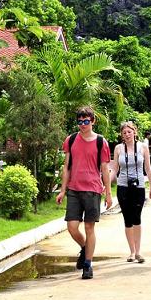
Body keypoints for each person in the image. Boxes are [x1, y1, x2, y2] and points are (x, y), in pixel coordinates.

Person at [56, 107, 112, 280]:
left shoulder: (101, 142)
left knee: (89, 227)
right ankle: (85, 248)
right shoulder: (71, 140)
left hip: (93, 189)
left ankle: (87, 264)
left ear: (93, 121)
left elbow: (105, 168)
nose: (83, 125)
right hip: (74, 188)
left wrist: (108, 193)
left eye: (86, 121)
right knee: (72, 227)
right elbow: (66, 167)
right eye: (80, 122)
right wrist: (62, 189)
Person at [110, 121, 151, 263]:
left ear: (134, 132)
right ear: (121, 135)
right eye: (124, 133)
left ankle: (138, 252)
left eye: (129, 132)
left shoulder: (143, 147)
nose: (127, 134)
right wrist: (105, 185)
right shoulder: (118, 148)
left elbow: (148, 168)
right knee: (127, 218)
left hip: (139, 186)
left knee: (137, 217)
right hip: (123, 186)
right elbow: (115, 169)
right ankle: (131, 252)